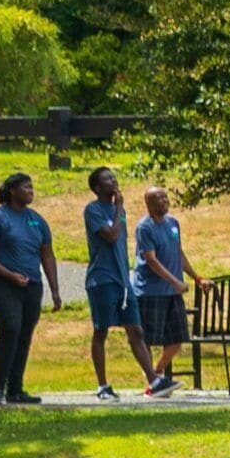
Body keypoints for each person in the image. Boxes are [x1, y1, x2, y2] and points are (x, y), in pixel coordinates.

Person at [0, 171, 54, 406]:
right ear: (12, 191)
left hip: (31, 285)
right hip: (2, 284)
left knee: (24, 334)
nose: (31, 191)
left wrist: (55, 289)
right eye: (26, 187)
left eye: (32, 187)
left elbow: (47, 254)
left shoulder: (37, 220)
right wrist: (8, 274)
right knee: (10, 328)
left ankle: (16, 389)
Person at [79, 165, 154, 399]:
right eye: (107, 179)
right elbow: (111, 236)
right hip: (102, 279)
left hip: (123, 279)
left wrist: (119, 209)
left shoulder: (117, 209)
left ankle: (154, 380)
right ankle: (103, 385)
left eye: (113, 177)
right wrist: (119, 207)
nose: (113, 181)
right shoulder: (93, 210)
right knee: (101, 331)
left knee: (136, 330)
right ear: (97, 187)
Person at [132, 184, 193, 396]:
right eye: (159, 198)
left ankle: (157, 376)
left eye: (166, 197)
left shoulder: (173, 223)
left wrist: (196, 277)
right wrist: (175, 281)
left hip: (172, 293)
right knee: (146, 339)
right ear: (148, 203)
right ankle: (154, 381)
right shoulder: (145, 227)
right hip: (150, 291)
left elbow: (179, 253)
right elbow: (151, 260)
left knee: (178, 338)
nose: (165, 201)